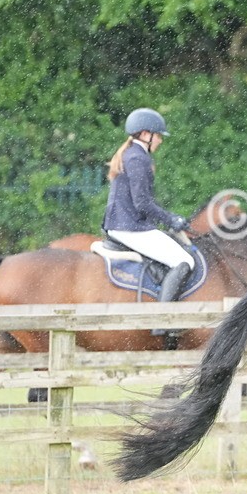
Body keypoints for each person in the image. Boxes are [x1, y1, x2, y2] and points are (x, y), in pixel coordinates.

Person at [102, 108, 194, 333]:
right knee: (184, 261)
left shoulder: (133, 153)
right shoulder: (137, 158)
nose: (160, 140)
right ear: (145, 134)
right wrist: (171, 219)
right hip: (129, 227)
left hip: (127, 223)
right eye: (158, 135)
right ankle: (162, 323)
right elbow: (142, 203)